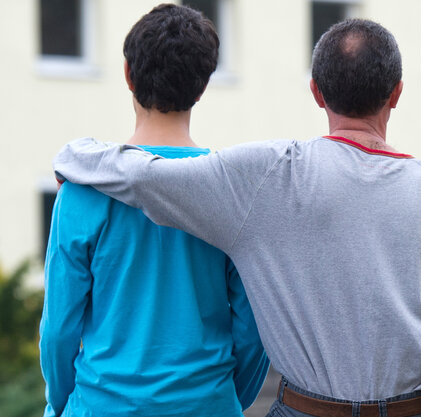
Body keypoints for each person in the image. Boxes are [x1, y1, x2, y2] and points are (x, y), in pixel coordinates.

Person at [53, 18, 421, 417]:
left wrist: (75, 155)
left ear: (316, 91)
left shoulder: (265, 178)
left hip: (300, 408)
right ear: (397, 92)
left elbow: (143, 176)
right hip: (420, 407)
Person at [39, 4, 269, 417]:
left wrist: (60, 402)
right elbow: (255, 331)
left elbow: (58, 330)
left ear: (127, 74)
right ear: (202, 87)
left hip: (100, 406)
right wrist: (223, 400)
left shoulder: (80, 193)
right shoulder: (233, 195)